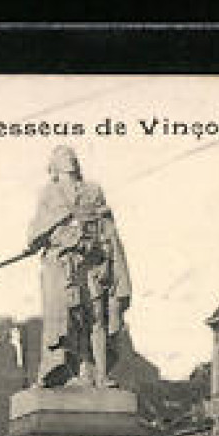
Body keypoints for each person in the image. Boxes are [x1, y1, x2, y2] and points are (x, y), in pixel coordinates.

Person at [27, 145, 133, 388]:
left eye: (71, 156)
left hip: (94, 263)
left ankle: (102, 375)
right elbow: (35, 234)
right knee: (73, 320)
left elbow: (107, 225)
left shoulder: (93, 190)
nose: (68, 159)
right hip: (65, 267)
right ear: (53, 167)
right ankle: (78, 370)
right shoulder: (49, 194)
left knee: (97, 318)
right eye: (62, 157)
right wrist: (59, 229)